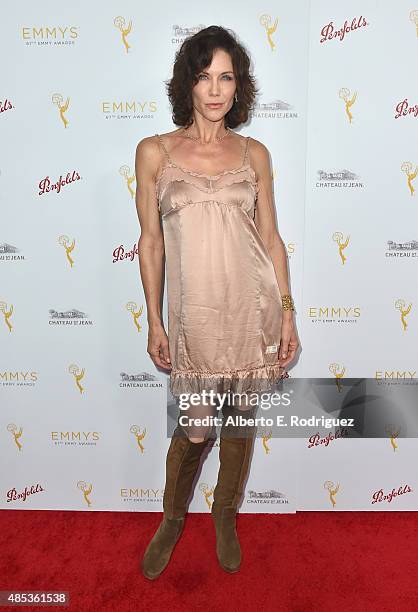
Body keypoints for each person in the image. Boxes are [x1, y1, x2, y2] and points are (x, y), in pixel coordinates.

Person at [135, 25, 299, 579]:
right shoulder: (155, 152)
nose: (214, 89)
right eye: (204, 76)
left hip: (250, 309)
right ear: (188, 82)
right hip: (193, 319)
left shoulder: (255, 154)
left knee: (239, 423)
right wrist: (154, 319)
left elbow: (271, 237)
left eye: (226, 77)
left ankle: (225, 516)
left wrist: (288, 312)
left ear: (239, 86)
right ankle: (173, 519)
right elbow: (151, 241)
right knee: (197, 426)